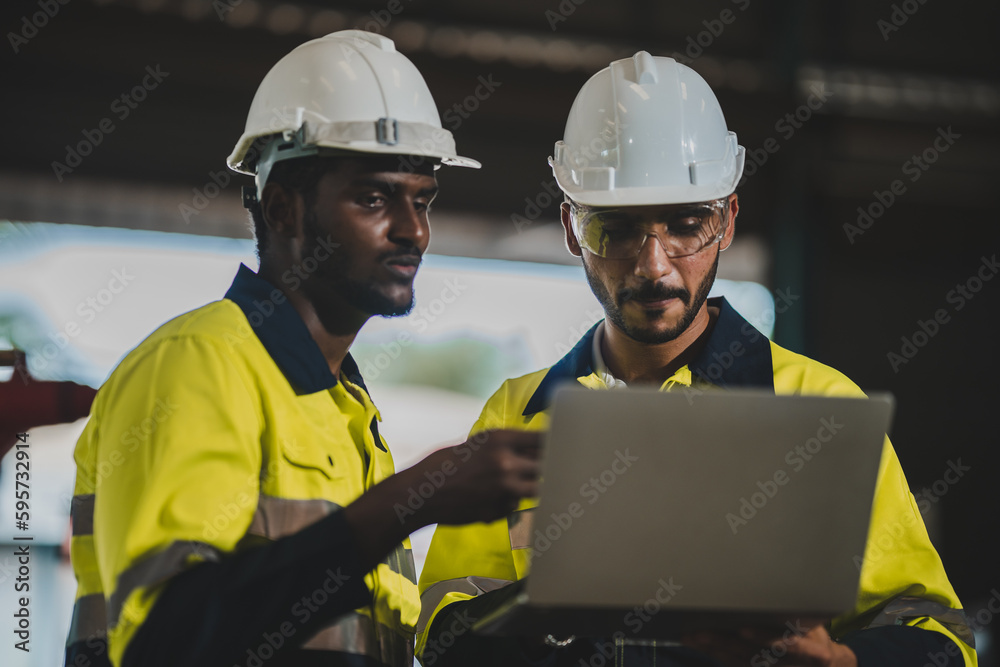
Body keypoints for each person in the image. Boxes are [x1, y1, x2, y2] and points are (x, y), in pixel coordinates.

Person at [416, 52, 977, 667]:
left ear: (728, 219)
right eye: (617, 230)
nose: (654, 265)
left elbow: (941, 642)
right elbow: (445, 632)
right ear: (573, 230)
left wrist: (839, 662)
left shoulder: (820, 408)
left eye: (686, 225)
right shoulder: (515, 413)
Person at [65, 30, 541, 667]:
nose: (414, 230)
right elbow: (168, 639)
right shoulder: (197, 365)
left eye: (423, 200)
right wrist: (410, 501)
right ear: (284, 208)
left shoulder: (343, 406)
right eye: (373, 198)